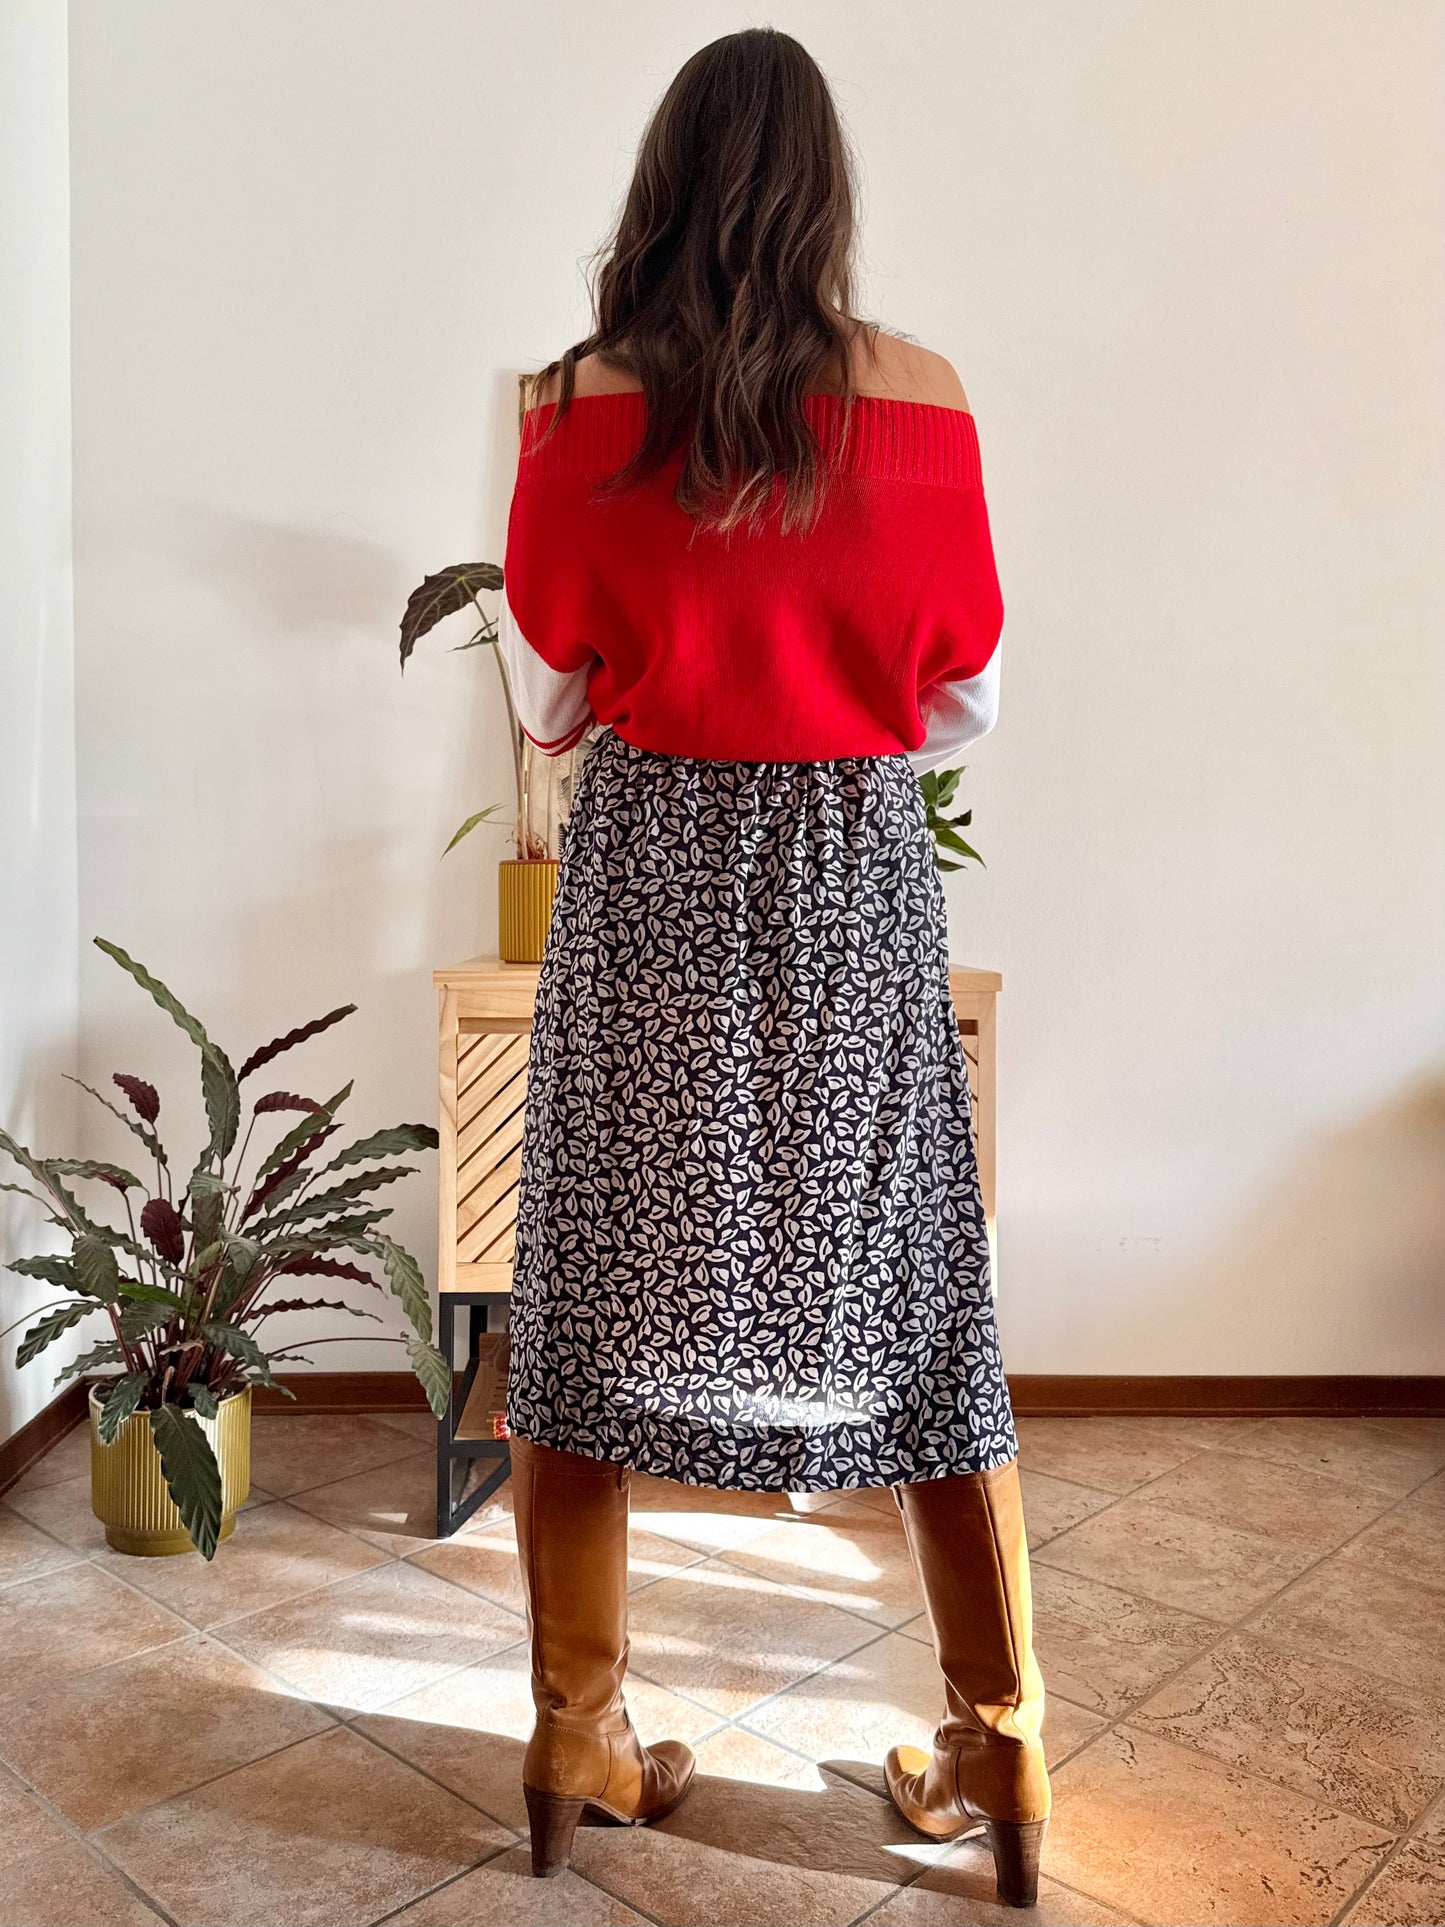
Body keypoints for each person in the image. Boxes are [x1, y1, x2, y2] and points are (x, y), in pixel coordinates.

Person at [493, 27, 1049, 1908]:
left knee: (579, 1284)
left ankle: (579, 1732)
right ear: (826, 194)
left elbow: (555, 693)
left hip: (650, 870)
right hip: (853, 877)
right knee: (922, 1300)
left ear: (658, 184)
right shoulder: (930, 397)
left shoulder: (575, 408)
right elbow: (960, 694)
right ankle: (1000, 1740)